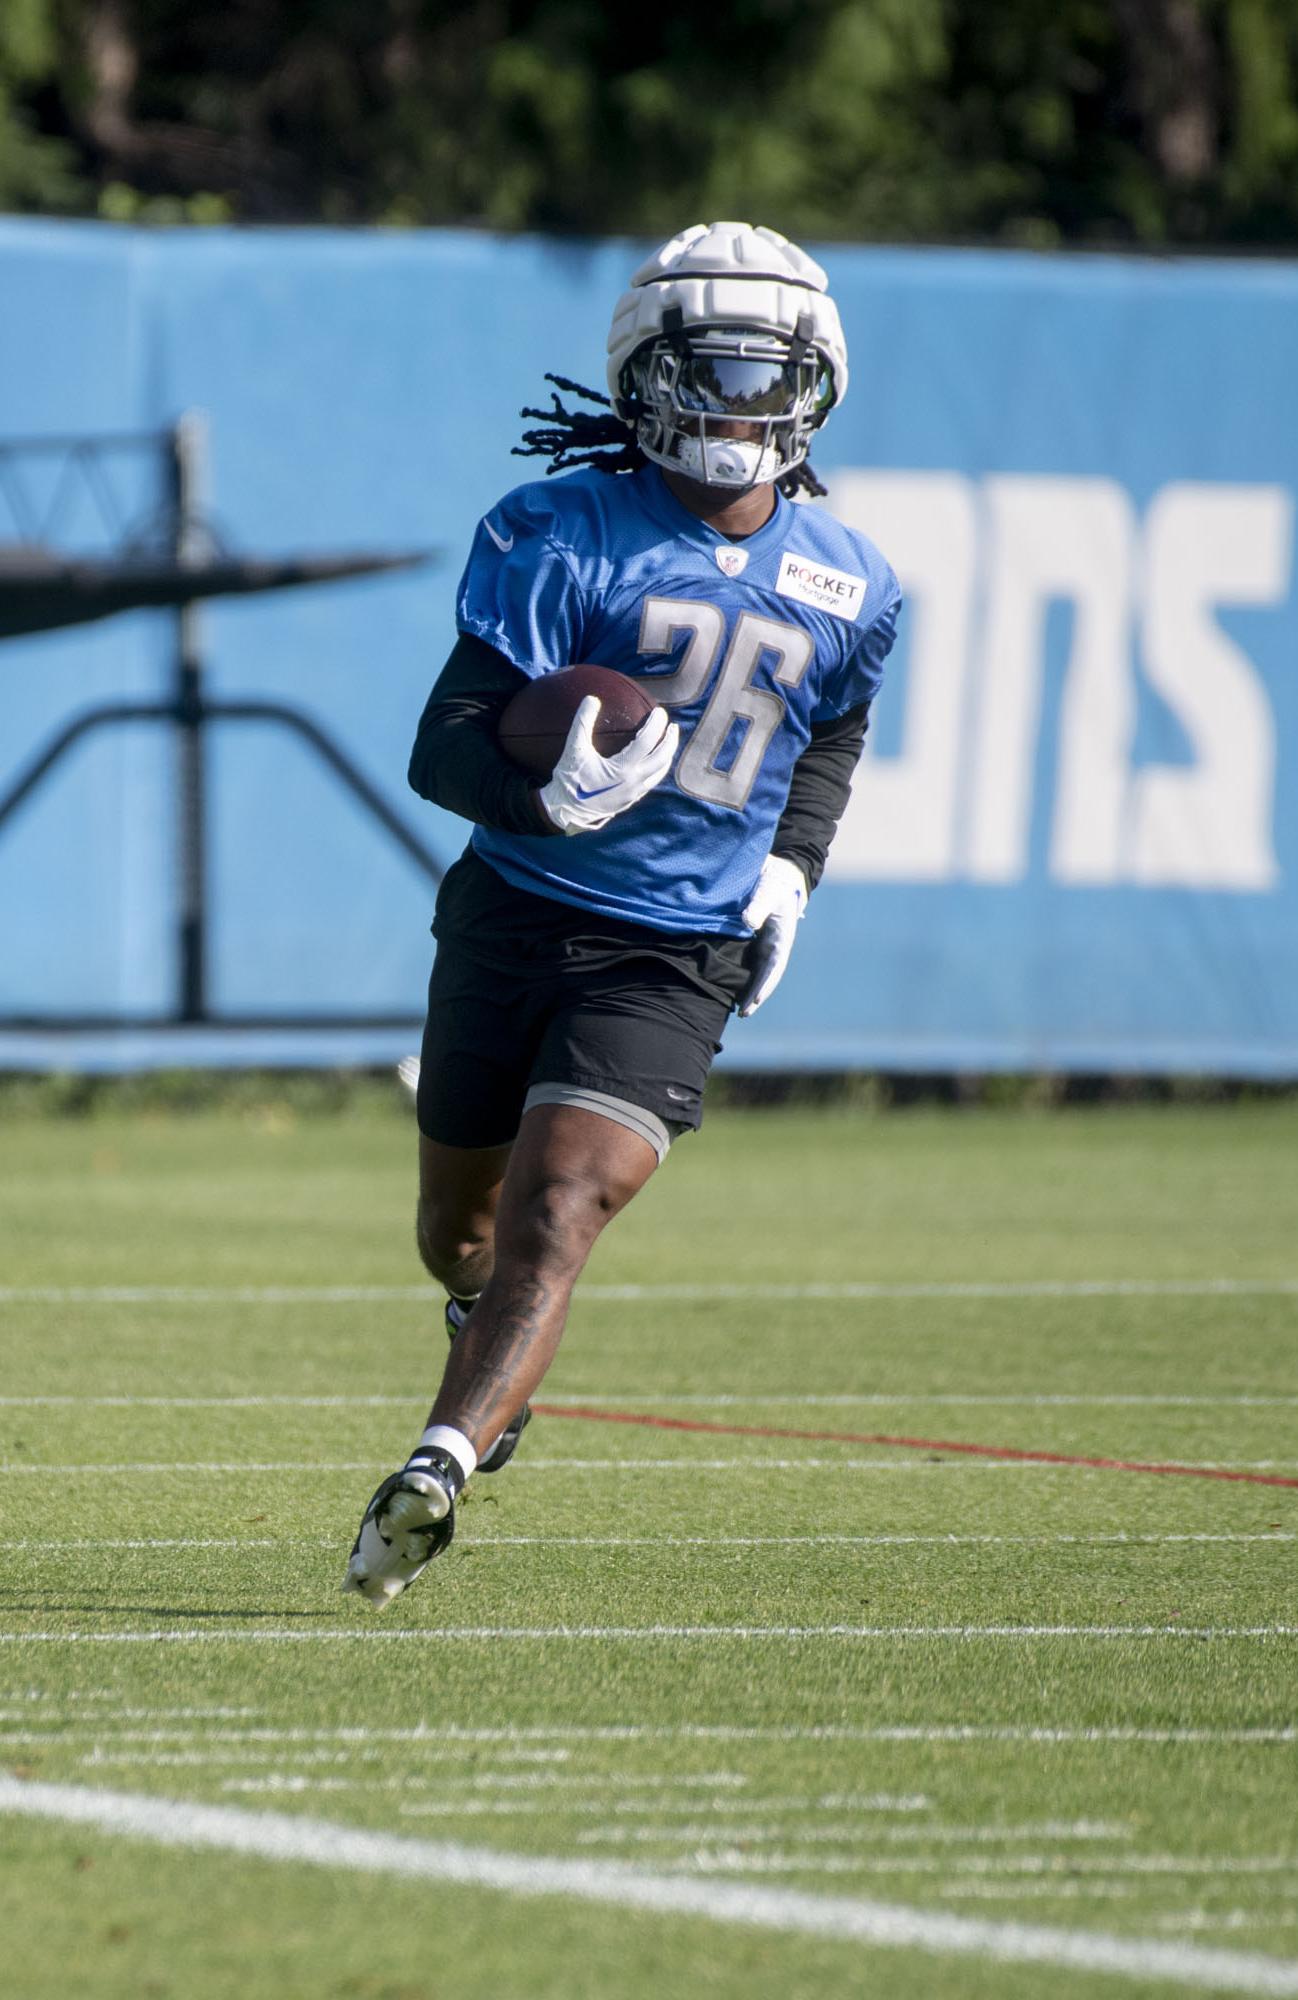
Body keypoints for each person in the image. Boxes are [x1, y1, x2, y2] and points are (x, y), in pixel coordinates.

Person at [345, 222, 901, 1606]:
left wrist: (792, 869)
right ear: (642, 382)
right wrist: (551, 799)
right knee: (456, 1233)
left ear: (814, 386)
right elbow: (444, 746)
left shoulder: (854, 579)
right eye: (703, 376)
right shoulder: (558, 530)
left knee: (566, 1201)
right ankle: (486, 1348)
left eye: (759, 376)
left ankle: (438, 1465)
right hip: (514, 907)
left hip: (676, 949)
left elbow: (832, 730)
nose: (731, 408)